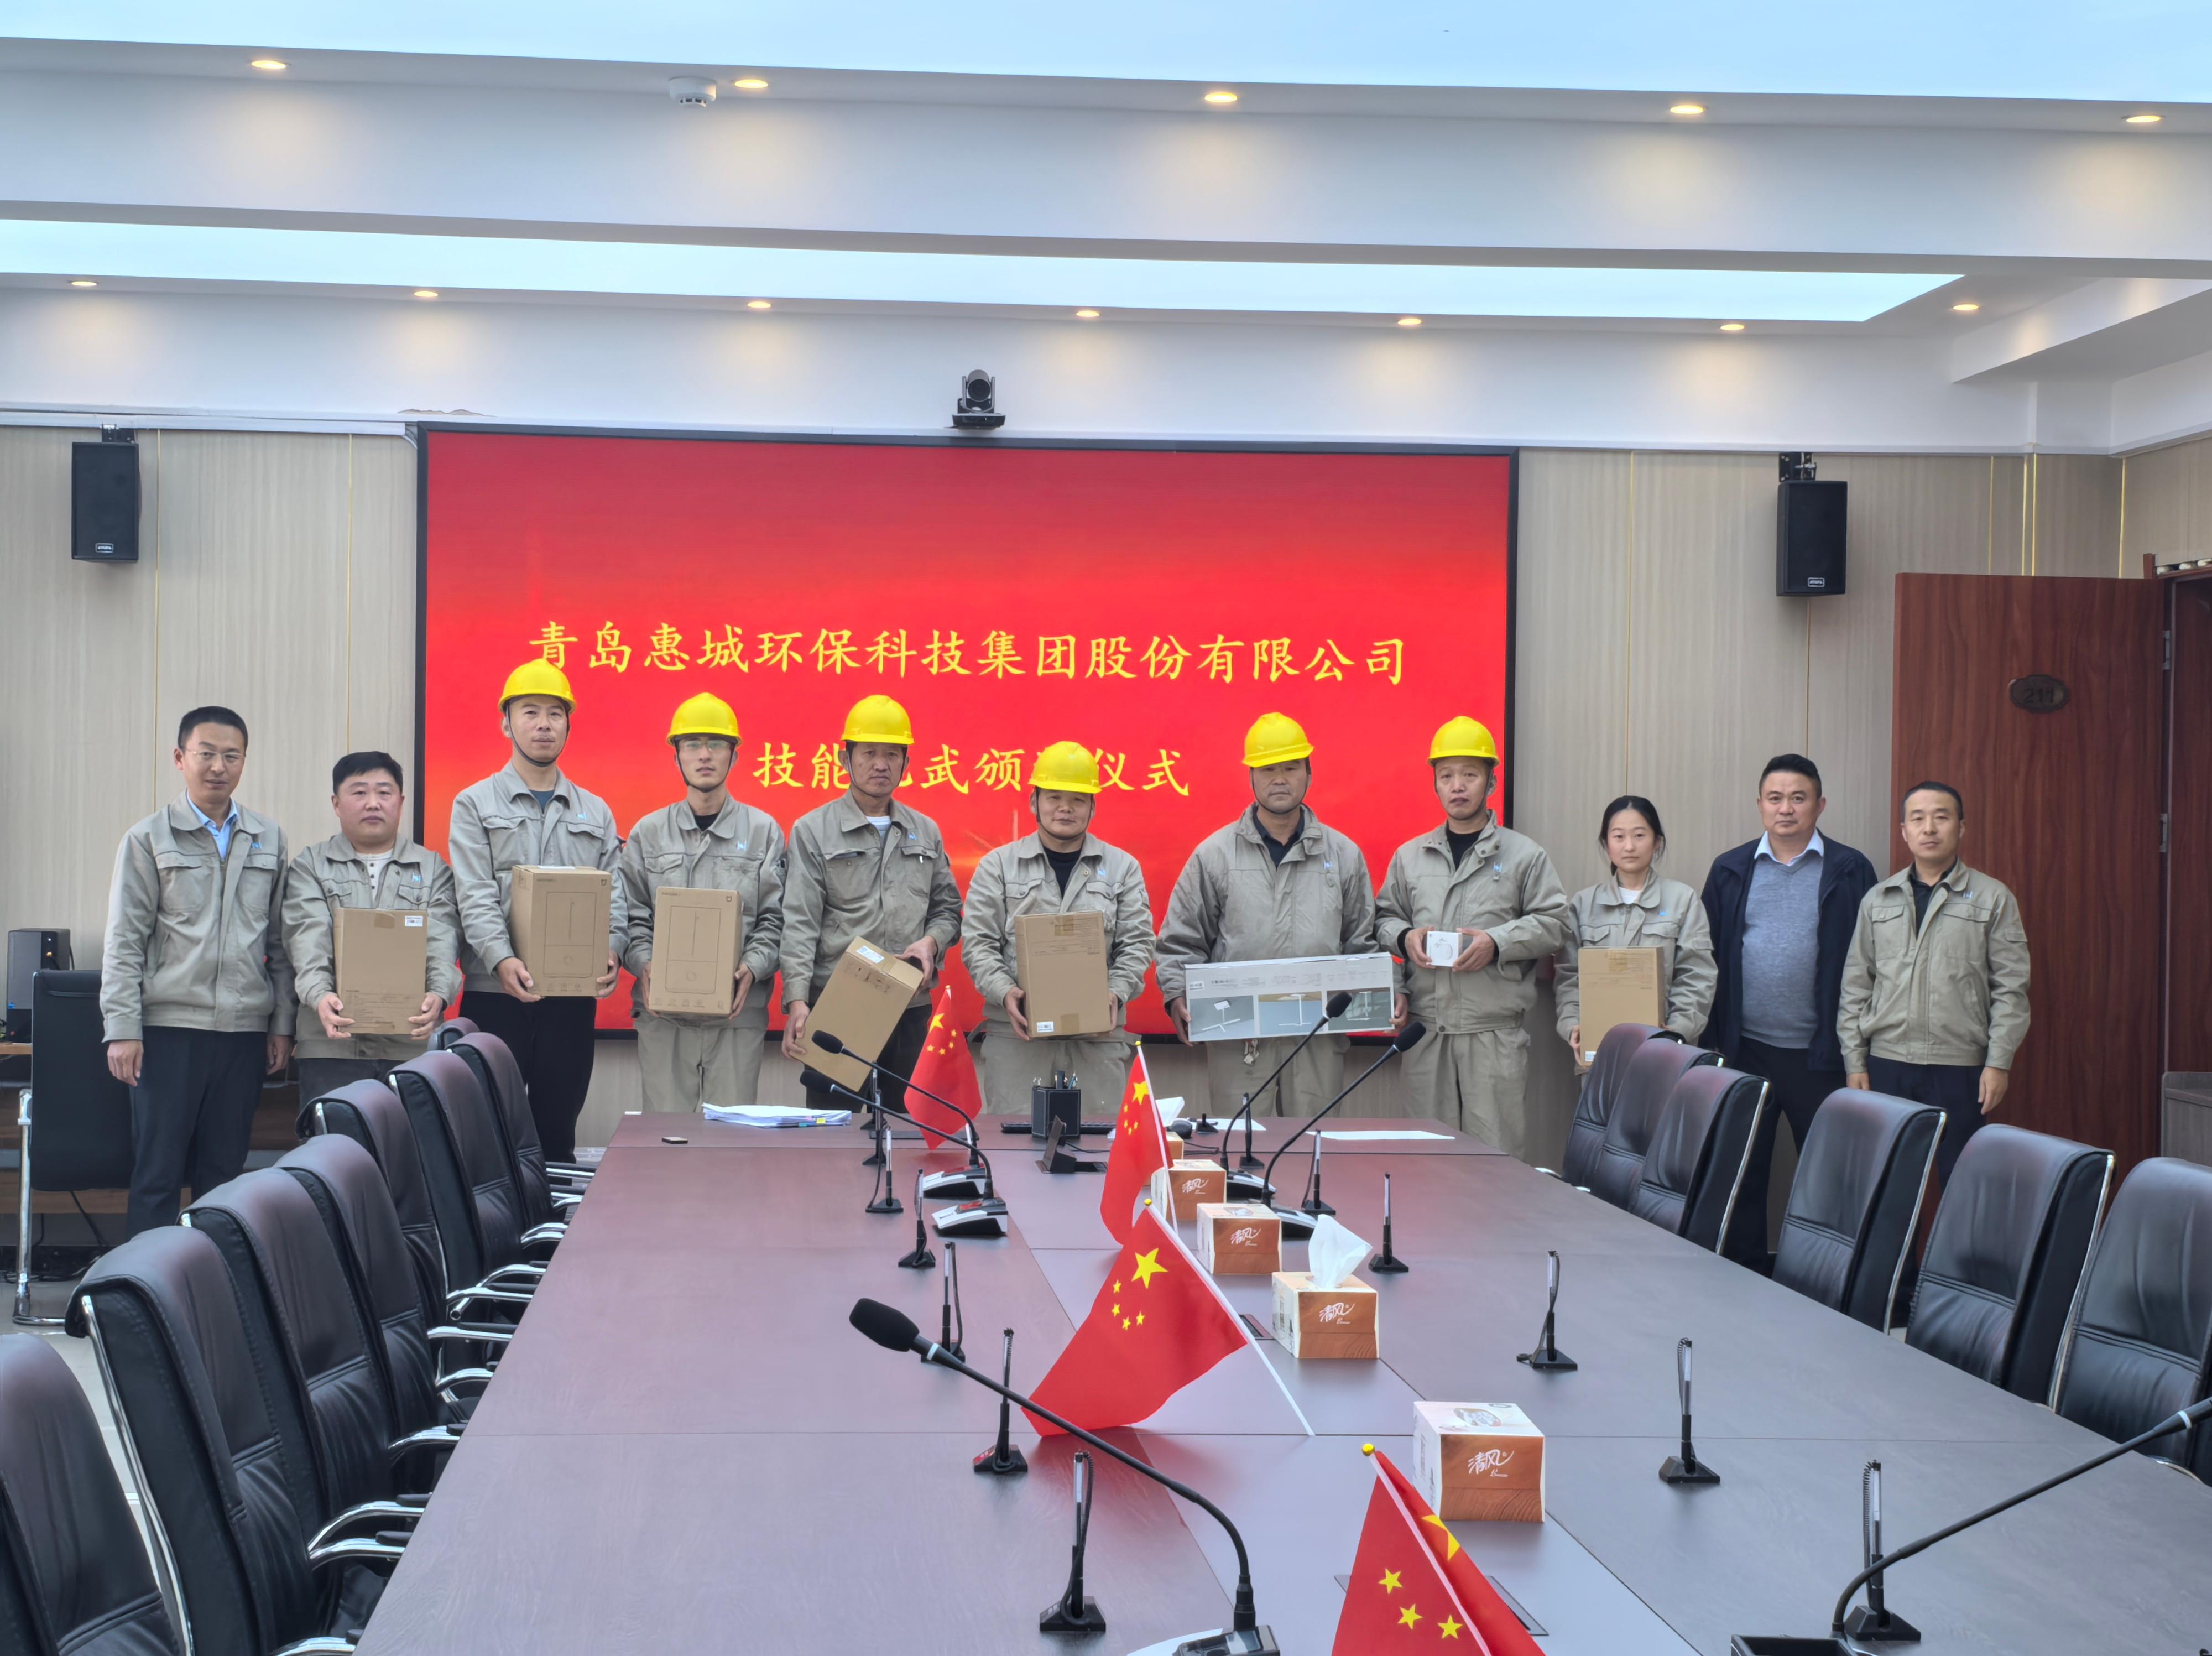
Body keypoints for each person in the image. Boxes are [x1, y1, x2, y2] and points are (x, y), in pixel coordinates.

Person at [100, 707, 294, 1233]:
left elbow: (279, 943)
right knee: (157, 1173)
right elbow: (125, 941)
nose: (218, 767)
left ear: (244, 762)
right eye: (206, 754)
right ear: (180, 758)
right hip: (168, 1031)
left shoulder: (268, 837)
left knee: (225, 1175)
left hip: (242, 1033)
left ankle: (216, 1276)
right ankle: (147, 1278)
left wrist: (280, 1023)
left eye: (231, 756)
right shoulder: (148, 838)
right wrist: (122, 1028)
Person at [1701, 754, 1877, 1267]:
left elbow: (1872, 960)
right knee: (1742, 1171)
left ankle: (1824, 1280)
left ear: (1820, 805)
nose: (1786, 809)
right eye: (1776, 799)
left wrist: (1857, 1050)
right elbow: (1706, 959)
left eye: (1798, 798)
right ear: (1760, 805)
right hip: (1745, 1050)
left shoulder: (1851, 869)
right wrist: (1712, 1045)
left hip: (1820, 1056)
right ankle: (1741, 1275)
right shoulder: (1731, 868)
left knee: (1828, 1179)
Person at [1156, 712, 1378, 1119]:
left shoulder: (1344, 855)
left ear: (1309, 774)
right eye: (1268, 770)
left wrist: (1385, 991)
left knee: (1313, 1143)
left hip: (1316, 1036)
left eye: (1290, 768)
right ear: (1251, 777)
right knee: (1239, 1145)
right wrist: (1176, 994)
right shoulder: (1214, 855)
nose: (1280, 780)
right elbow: (1180, 940)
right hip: (1238, 1036)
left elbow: (1363, 942)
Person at [448, 660, 625, 1161]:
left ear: (569, 724)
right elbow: (474, 893)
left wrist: (613, 949)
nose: (544, 724)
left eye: (555, 713)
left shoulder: (596, 811)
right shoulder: (474, 804)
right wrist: (502, 959)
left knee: (557, 1131)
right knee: (489, 1135)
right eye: (530, 712)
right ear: (507, 723)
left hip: (570, 996)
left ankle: (553, 1218)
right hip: (495, 991)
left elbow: (615, 897)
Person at [1375, 717, 1570, 1158]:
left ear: (1491, 782)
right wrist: (1405, 938)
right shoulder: (1410, 857)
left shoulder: (1524, 856)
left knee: (1494, 1163)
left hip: (1493, 1038)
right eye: (1447, 776)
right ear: (1435, 785)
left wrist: (1497, 943)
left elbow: (1556, 922)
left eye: (1470, 774)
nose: (1458, 786)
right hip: (1426, 1035)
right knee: (1428, 1163)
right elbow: (1383, 920)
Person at [779, 695, 962, 1115]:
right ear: (845, 759)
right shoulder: (813, 830)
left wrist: (931, 943)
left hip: (908, 1006)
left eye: (892, 754)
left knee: (907, 1128)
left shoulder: (925, 831)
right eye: (869, 753)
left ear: (906, 764)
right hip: (838, 1005)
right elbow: (800, 922)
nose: (881, 764)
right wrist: (798, 1002)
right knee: (833, 1129)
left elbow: (948, 909)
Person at [1840, 781, 2031, 1184]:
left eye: (1941, 818)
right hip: (1887, 1062)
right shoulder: (1878, 899)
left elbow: (2011, 990)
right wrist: (1854, 1060)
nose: (1929, 828)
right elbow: (1856, 985)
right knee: (1889, 1184)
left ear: (1961, 828)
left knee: (1961, 1183)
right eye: (1918, 819)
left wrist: (1998, 1063)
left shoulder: (1993, 898)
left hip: (1960, 1066)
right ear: (1904, 831)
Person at [961, 741, 1155, 1117]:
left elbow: (1138, 944)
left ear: (1093, 807)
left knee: (1097, 1142)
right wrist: (1005, 992)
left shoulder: (1123, 868)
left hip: (1097, 1042)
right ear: (1034, 802)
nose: (1065, 808)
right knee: (1015, 1143)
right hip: (1018, 1039)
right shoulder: (998, 866)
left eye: (1078, 799)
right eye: (1054, 797)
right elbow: (978, 944)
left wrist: (1116, 993)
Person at [618, 694, 786, 1112]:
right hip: (664, 1018)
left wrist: (753, 967)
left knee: (731, 1140)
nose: (705, 755)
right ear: (677, 756)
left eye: (717, 744)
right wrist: (644, 963)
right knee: (666, 1138)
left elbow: (776, 918)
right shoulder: (648, 833)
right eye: (692, 744)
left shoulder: (764, 832)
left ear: (735, 755)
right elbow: (630, 916)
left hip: (737, 1016)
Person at [282, 751, 463, 1101]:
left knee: (414, 1137)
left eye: (384, 792)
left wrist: (439, 995)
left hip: (411, 1045)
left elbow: (443, 941)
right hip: (331, 1045)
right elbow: (307, 941)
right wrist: (320, 996)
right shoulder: (311, 866)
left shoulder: (433, 869)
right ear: (337, 804)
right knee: (336, 1136)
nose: (373, 803)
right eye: (359, 792)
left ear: (401, 802)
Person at [1555, 796, 1716, 1058]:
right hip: (1600, 1047)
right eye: (1619, 837)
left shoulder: (1682, 900)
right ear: (1606, 844)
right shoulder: (1584, 904)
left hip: (1665, 1051)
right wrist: (1572, 1024)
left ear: (1657, 841)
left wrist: (1677, 1031)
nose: (1629, 846)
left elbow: (1697, 975)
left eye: (1640, 835)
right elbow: (1569, 976)